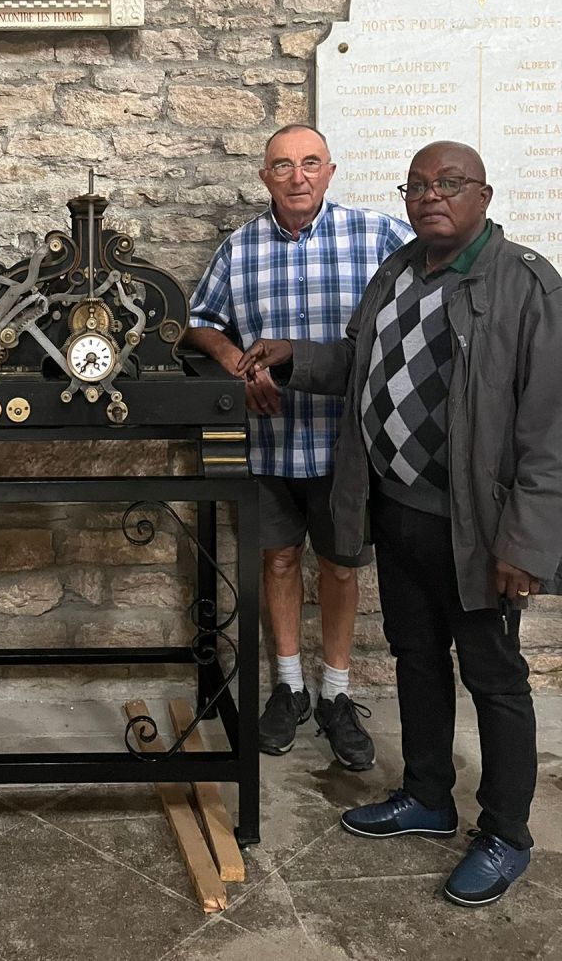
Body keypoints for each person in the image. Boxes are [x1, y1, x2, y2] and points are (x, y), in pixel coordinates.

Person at [237, 140, 562, 906]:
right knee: (416, 657)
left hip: (477, 531)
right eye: (416, 185)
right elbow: (362, 363)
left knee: (494, 679)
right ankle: (426, 794)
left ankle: (506, 833)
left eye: (448, 182)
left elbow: (550, 429)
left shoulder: (525, 284)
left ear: (483, 194)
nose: (430, 195)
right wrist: (294, 358)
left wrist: (526, 542)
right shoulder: (398, 271)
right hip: (401, 511)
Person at [186, 125, 412, 770]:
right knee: (279, 560)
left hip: (347, 444)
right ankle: (289, 686)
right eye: (282, 166)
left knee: (340, 566)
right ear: (265, 177)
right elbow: (200, 322)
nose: (297, 176)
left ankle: (337, 692)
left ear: (330, 171)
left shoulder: (378, 235)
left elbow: (427, 298)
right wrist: (236, 365)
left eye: (310, 163)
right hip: (272, 441)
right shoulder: (240, 247)